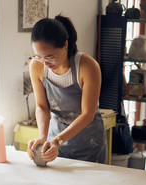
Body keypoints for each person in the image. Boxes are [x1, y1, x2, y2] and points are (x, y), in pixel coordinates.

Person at [27, 15, 107, 163]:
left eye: (50, 57)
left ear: (65, 45)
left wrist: (58, 141)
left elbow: (87, 114)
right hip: (56, 136)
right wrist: (43, 137)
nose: (45, 63)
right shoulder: (36, 66)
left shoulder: (87, 66)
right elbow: (42, 107)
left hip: (88, 141)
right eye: (39, 56)